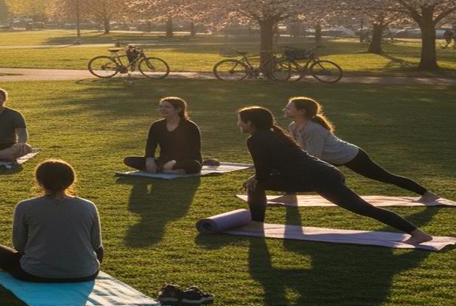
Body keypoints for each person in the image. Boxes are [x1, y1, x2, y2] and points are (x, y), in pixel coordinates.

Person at [237, 106, 432, 244]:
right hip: (321, 174)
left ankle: (256, 224)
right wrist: (258, 177)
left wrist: (256, 178)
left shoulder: (256, 140)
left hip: (317, 177)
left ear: (250, 123)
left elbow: (262, 169)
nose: (238, 124)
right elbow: (270, 166)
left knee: (363, 208)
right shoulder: (274, 134)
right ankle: (417, 233)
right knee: (257, 183)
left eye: (240, 120)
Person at [283, 97, 439, 202]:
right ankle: (290, 195)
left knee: (384, 177)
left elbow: (314, 155)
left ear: (302, 111)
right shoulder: (294, 126)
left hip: (350, 155)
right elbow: (299, 147)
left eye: (289, 108)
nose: (285, 109)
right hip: (331, 158)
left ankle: (427, 194)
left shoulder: (313, 129)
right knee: (293, 167)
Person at [0, 159, 102, 282]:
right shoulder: (88, 206)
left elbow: (19, 246)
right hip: (85, 273)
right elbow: (96, 245)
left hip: (35, 273)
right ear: (71, 180)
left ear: (39, 181)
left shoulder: (25, 206)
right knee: (98, 251)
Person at [123, 97, 203, 174]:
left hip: (186, 160)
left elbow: (194, 150)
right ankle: (168, 170)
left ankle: (163, 169)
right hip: (163, 160)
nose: (162, 109)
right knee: (129, 160)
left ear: (178, 109)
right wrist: (149, 159)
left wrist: (175, 162)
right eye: (160, 107)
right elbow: (151, 145)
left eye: (167, 107)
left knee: (194, 165)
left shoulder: (190, 127)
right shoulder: (156, 125)